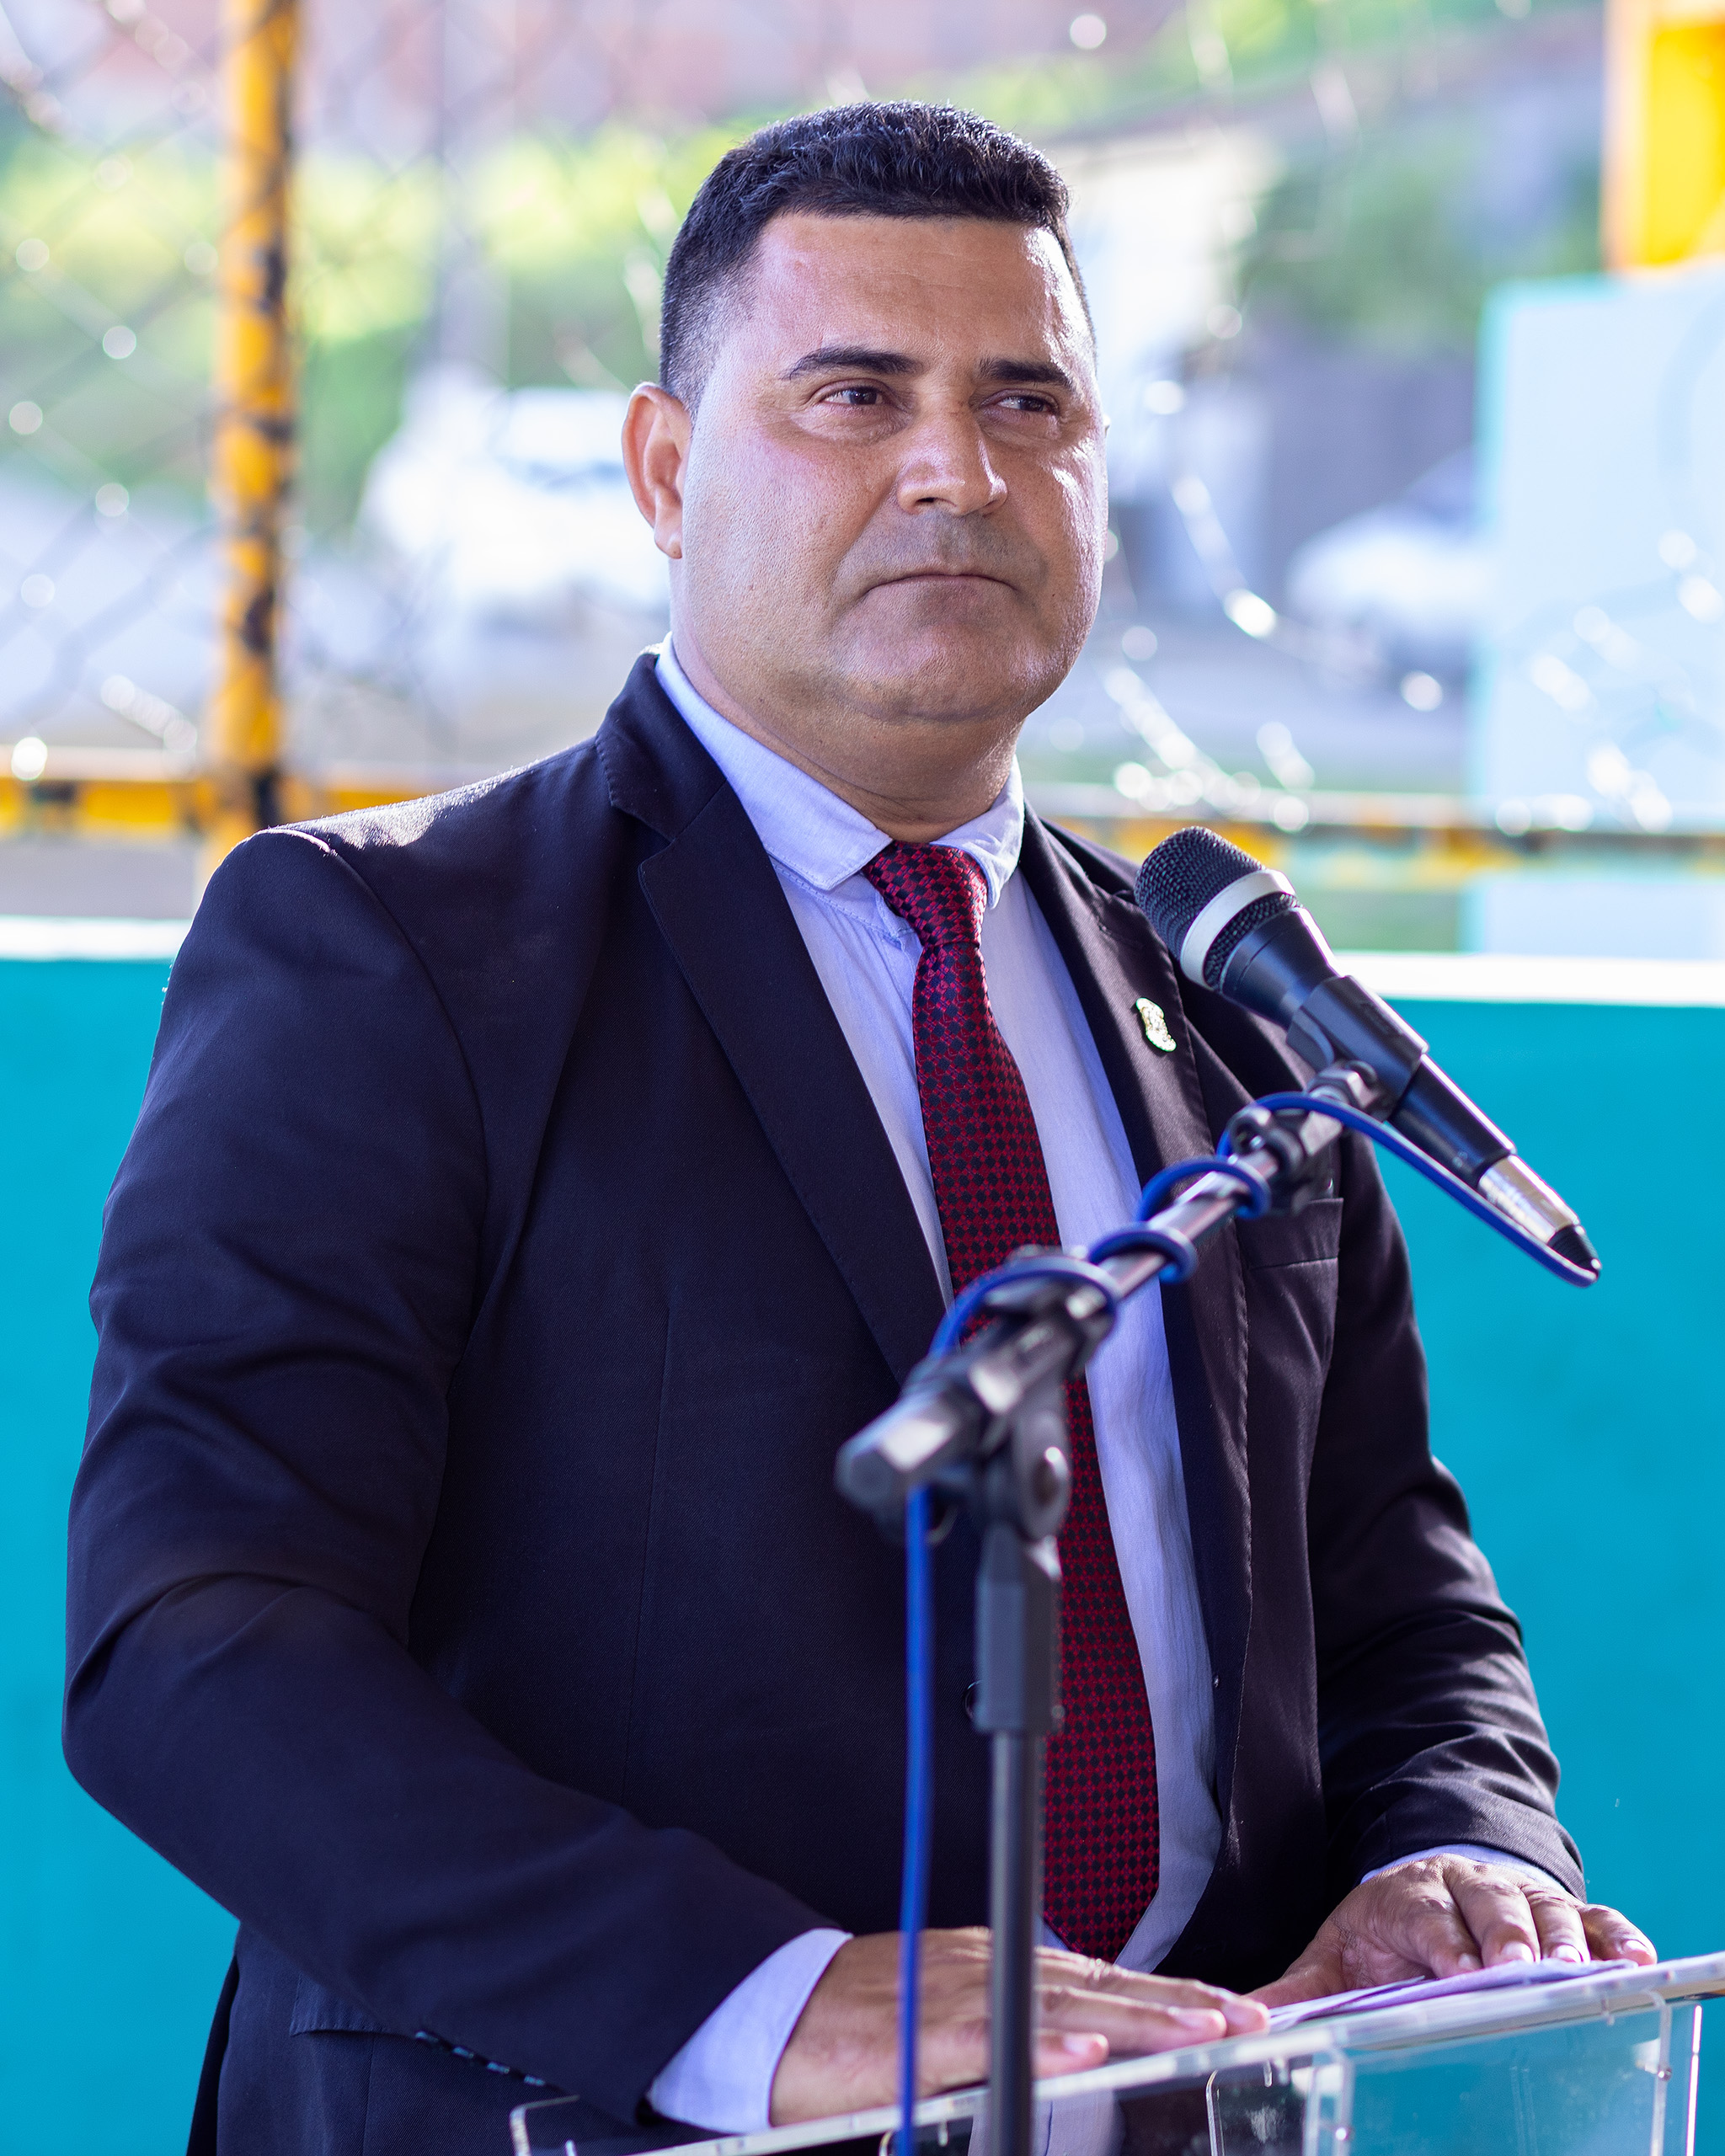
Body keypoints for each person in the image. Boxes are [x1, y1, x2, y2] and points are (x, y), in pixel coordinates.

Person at [64, 101, 1652, 2156]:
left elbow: (1391, 1587)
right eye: (854, 395)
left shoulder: (1235, 998)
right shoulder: (391, 951)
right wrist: (753, 1993)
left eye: (1025, 402)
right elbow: (199, 1638)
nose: (955, 472)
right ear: (665, 469)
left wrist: (1457, 1841)